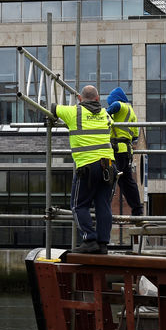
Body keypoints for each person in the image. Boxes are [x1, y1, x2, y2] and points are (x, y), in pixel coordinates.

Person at [51, 85, 115, 254]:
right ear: (97, 98)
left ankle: (89, 239)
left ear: (80, 99)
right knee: (104, 206)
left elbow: (52, 108)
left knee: (78, 205)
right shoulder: (105, 114)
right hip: (108, 165)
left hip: (88, 166)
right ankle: (103, 244)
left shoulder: (74, 112)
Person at [106, 87, 143, 216]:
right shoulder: (131, 112)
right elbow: (135, 136)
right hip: (126, 151)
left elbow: (110, 110)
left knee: (110, 178)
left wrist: (106, 115)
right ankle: (137, 210)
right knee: (126, 181)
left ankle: (103, 208)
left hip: (118, 150)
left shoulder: (119, 105)